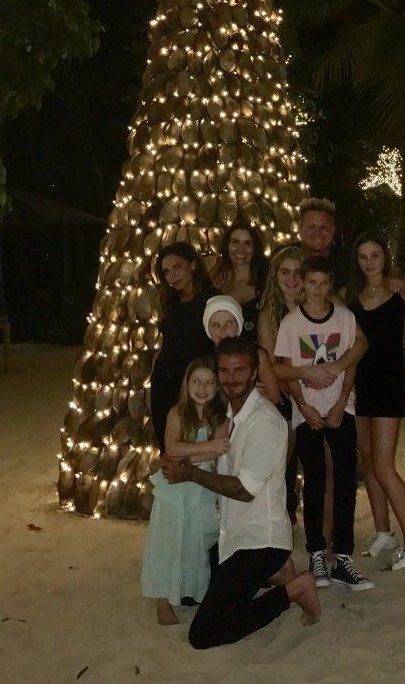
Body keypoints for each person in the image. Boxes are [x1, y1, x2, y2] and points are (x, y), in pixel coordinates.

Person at [162, 337, 320, 647]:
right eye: (225, 370)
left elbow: (245, 490)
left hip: (260, 541)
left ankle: (293, 590)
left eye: (239, 370)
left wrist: (190, 474)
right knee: (194, 594)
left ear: (254, 372)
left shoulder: (263, 421)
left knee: (203, 634)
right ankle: (268, 578)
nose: (231, 378)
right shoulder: (230, 415)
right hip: (231, 536)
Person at [274, 256, 373, 590]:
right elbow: (286, 370)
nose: (317, 289)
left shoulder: (344, 318)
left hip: (340, 409)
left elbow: (355, 357)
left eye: (323, 282)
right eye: (311, 282)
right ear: (303, 284)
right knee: (314, 480)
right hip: (309, 414)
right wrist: (303, 405)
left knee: (346, 479)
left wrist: (343, 399)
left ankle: (342, 556)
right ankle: (316, 552)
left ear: (331, 284)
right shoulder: (290, 324)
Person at [344, 231, 405, 571]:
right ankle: (383, 531)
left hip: (388, 384)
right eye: (362, 256)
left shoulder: (397, 292)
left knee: (384, 465)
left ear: (384, 257)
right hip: (360, 385)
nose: (368, 262)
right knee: (367, 461)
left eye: (374, 255)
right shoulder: (352, 296)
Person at [141, 357, 230, 625]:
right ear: (187, 384)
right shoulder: (177, 414)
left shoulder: (220, 417)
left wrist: (207, 449)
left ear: (217, 387)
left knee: (196, 543)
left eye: (209, 383)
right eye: (196, 382)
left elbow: (222, 446)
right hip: (176, 491)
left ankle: (193, 591)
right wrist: (209, 447)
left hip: (203, 489)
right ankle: (163, 601)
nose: (201, 388)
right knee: (169, 543)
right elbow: (173, 449)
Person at [150, 242, 218, 453]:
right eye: (166, 272)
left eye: (177, 267)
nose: (172, 276)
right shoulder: (172, 302)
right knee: (168, 448)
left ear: (193, 264)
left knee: (195, 446)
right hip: (165, 385)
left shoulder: (212, 301)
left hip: (195, 388)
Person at [258, 245, 308, 525]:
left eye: (298, 273)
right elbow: (270, 365)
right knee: (281, 463)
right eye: (285, 272)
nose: (292, 279)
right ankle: (280, 519)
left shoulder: (320, 305)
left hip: (320, 394)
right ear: (276, 275)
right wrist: (302, 376)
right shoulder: (269, 313)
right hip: (286, 397)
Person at [202, 294, 280, 405]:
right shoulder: (204, 360)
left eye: (229, 323)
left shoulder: (257, 355)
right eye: (215, 325)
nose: (222, 330)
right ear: (207, 329)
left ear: (238, 325)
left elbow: (273, 397)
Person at [212, 221, 269, 339]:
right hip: (222, 354)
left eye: (247, 243)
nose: (241, 249)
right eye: (235, 242)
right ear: (227, 246)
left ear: (255, 248)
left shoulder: (266, 282)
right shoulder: (217, 283)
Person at [297, 197, 351, 292]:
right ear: (300, 230)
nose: (318, 233)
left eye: (324, 227)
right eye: (311, 227)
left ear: (333, 230)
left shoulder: (349, 263)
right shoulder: (285, 260)